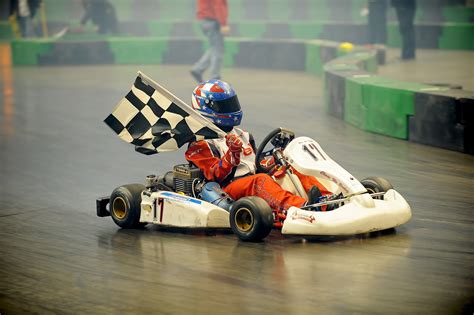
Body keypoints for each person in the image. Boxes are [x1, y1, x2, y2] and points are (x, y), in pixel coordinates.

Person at [185, 79, 339, 219]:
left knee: (291, 165)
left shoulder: (242, 135)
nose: (231, 109)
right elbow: (214, 176)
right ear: (207, 108)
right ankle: (302, 207)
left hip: (251, 178)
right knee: (260, 181)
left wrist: (277, 154)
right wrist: (232, 155)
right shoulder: (200, 143)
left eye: (231, 104)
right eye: (225, 106)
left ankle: (326, 200)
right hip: (227, 188)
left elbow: (256, 164)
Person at [190, 0, 229, 83]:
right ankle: (215, 78)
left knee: (215, 47)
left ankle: (198, 69)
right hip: (212, 20)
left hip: (205, 20)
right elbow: (218, 5)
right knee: (218, 49)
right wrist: (223, 24)